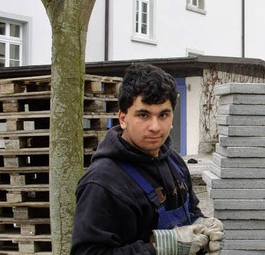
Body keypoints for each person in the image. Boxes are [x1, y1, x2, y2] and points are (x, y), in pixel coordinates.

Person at [72, 63, 223, 255]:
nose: (155, 127)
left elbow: (191, 211)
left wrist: (202, 226)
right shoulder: (102, 183)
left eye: (163, 115)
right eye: (143, 115)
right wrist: (159, 248)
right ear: (123, 118)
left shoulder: (174, 162)